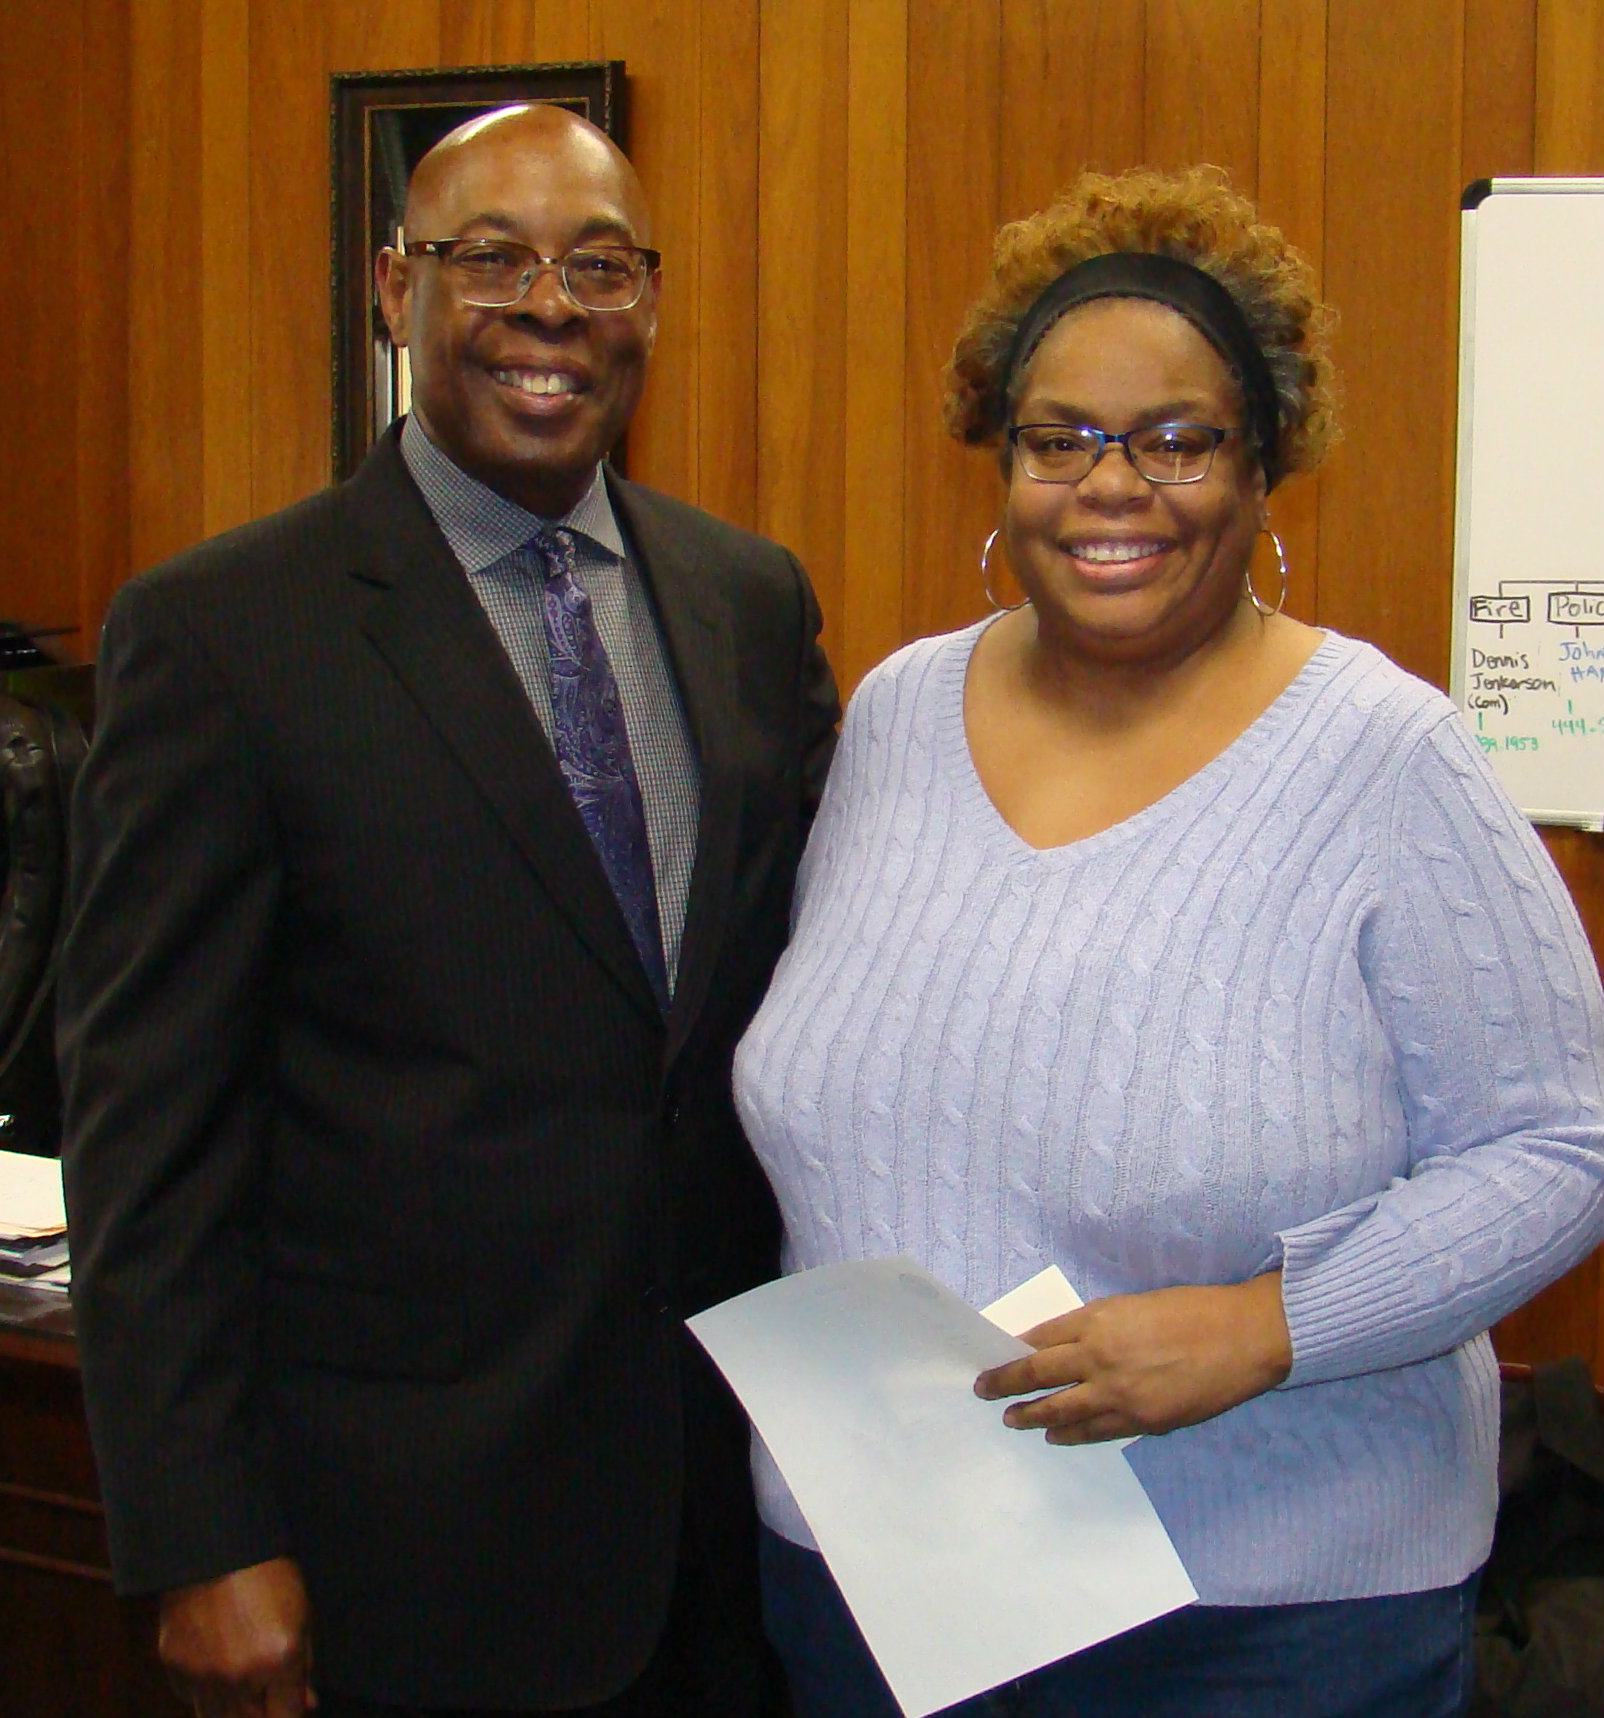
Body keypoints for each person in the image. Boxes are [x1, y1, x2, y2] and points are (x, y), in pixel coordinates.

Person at [732, 165, 1604, 1718]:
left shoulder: (1387, 759)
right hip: (877, 1588)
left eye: (1179, 438)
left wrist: (1268, 1328)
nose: (1111, 483)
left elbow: (1565, 1143)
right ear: (1000, 463)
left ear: (1267, 465)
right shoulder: (895, 717)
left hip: (1257, 1622)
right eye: (1058, 437)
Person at [58, 102, 837, 1718]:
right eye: (492, 258)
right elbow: (148, 1135)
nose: (550, 309)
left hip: (722, 1528)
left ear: (649, 305)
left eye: (600, 266)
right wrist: (199, 1536)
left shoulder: (748, 602)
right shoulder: (223, 634)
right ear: (389, 286)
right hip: (397, 1549)